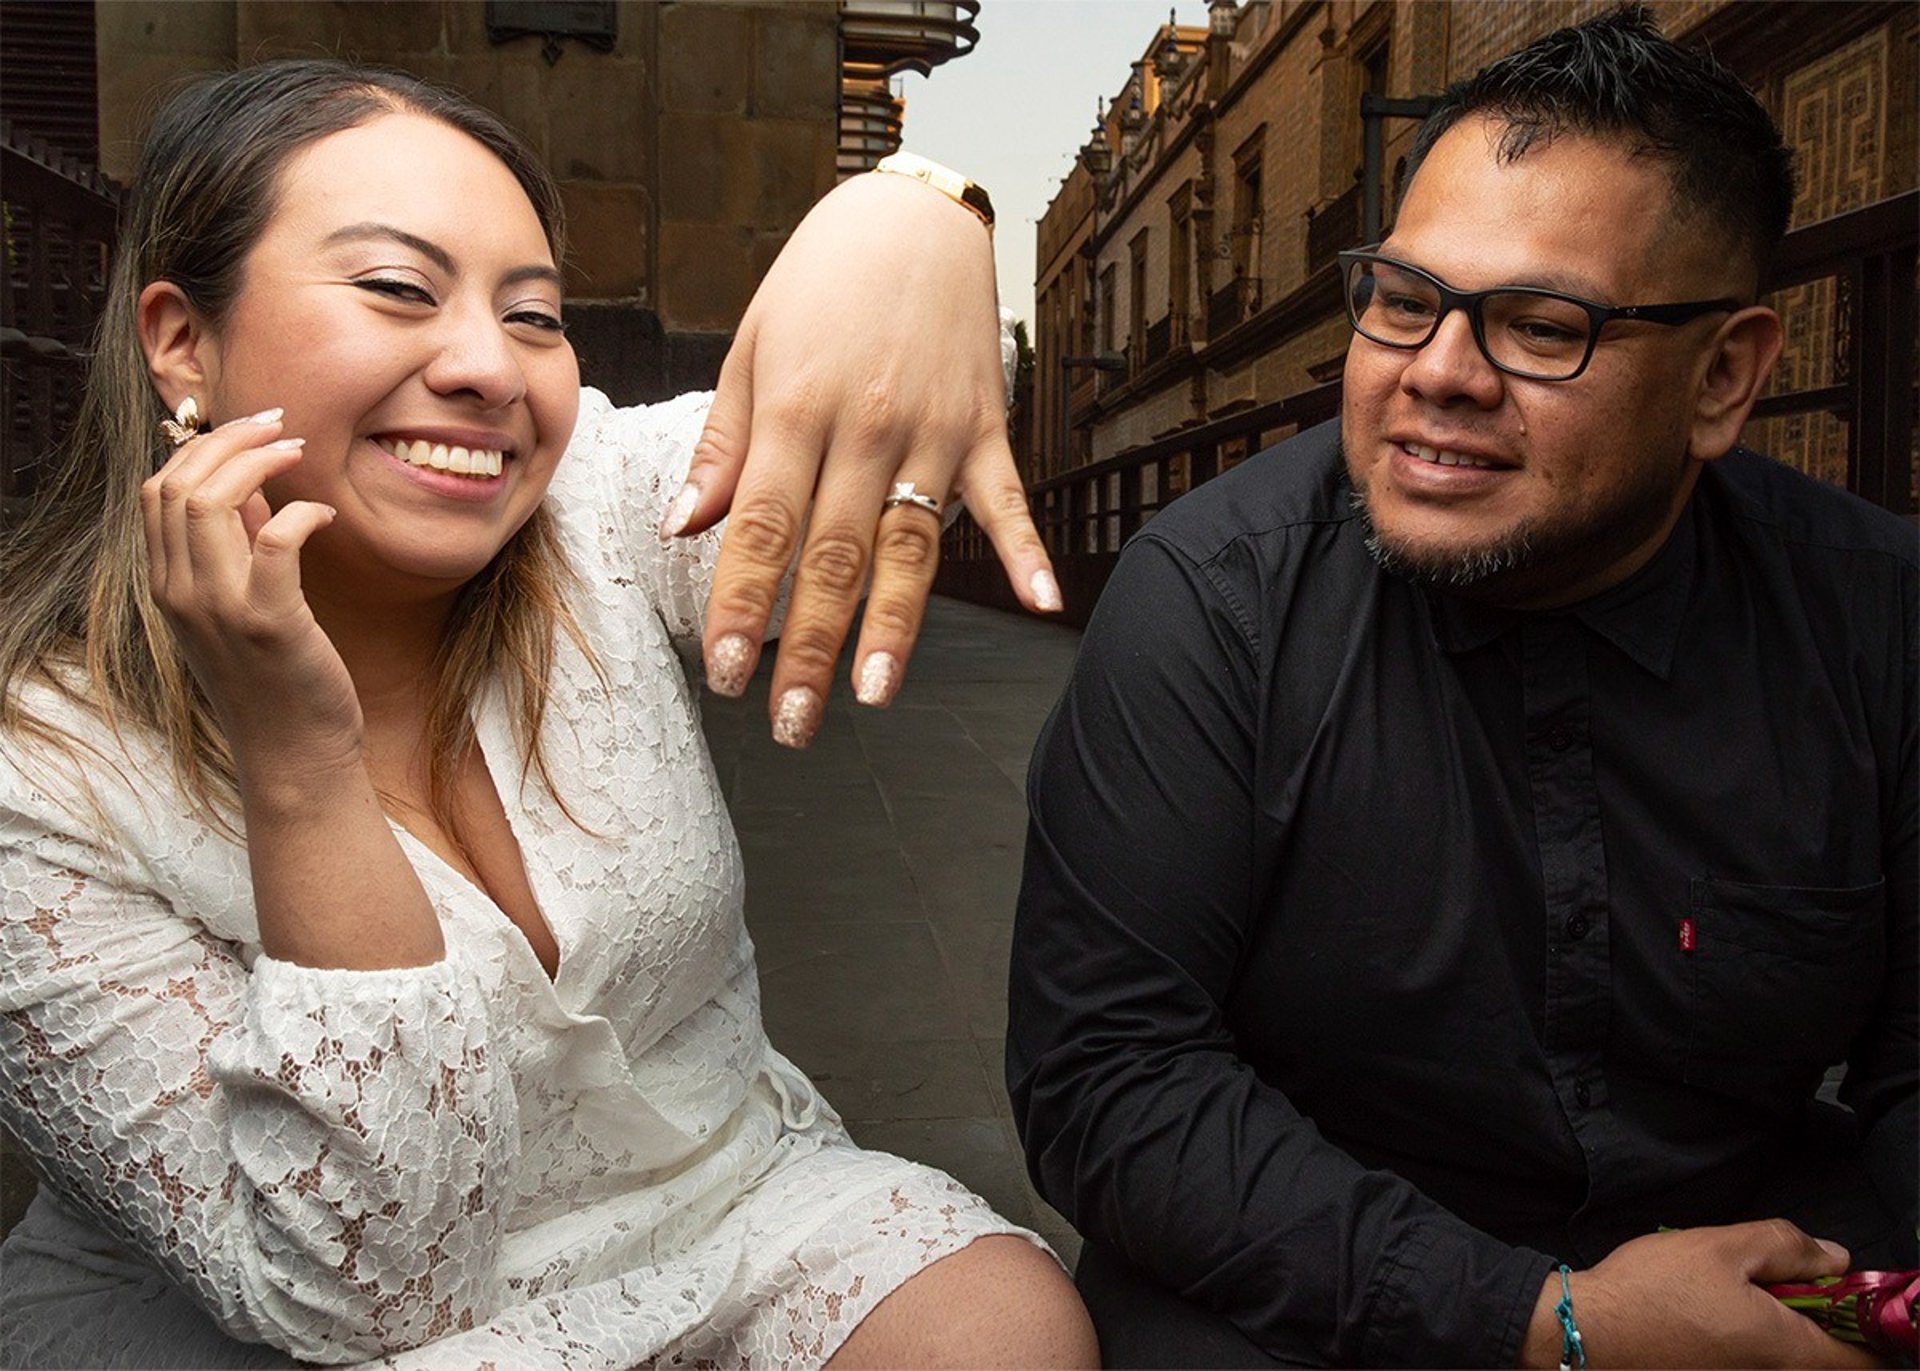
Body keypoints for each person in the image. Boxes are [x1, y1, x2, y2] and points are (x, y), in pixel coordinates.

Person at [0, 59, 1097, 1368]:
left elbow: (848, 451)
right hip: (352, 1323)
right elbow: (367, 1293)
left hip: (721, 1205)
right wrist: (302, 764)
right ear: (182, 339)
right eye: (399, 289)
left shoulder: (592, 509)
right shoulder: (40, 779)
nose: (487, 368)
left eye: (533, 315)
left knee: (1005, 1330)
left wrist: (918, 208)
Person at [1009, 8, 1915, 1368]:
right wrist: (1547, 1324)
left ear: (1724, 378)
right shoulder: (1213, 597)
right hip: (1295, 1287)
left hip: (1752, 1281)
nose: (1436, 375)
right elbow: (1114, 1084)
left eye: (1543, 326)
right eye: (1404, 300)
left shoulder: (1876, 613)